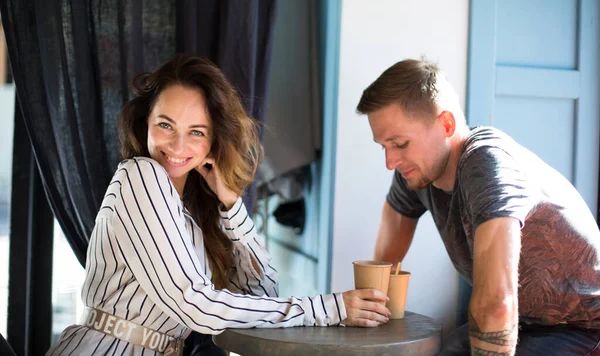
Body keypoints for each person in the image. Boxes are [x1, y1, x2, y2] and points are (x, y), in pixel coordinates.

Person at [47, 54, 390, 356]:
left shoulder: (192, 207)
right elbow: (195, 304)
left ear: (213, 139)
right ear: (145, 124)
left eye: (196, 131)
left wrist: (231, 204)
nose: (178, 145)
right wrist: (329, 308)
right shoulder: (141, 176)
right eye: (166, 125)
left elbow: (263, 290)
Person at [356, 59, 600, 356]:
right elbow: (384, 265)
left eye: (400, 143)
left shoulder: (486, 163)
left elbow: (496, 303)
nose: (390, 162)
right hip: (527, 321)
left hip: (583, 327)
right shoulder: (415, 173)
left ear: (446, 124)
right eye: (384, 146)